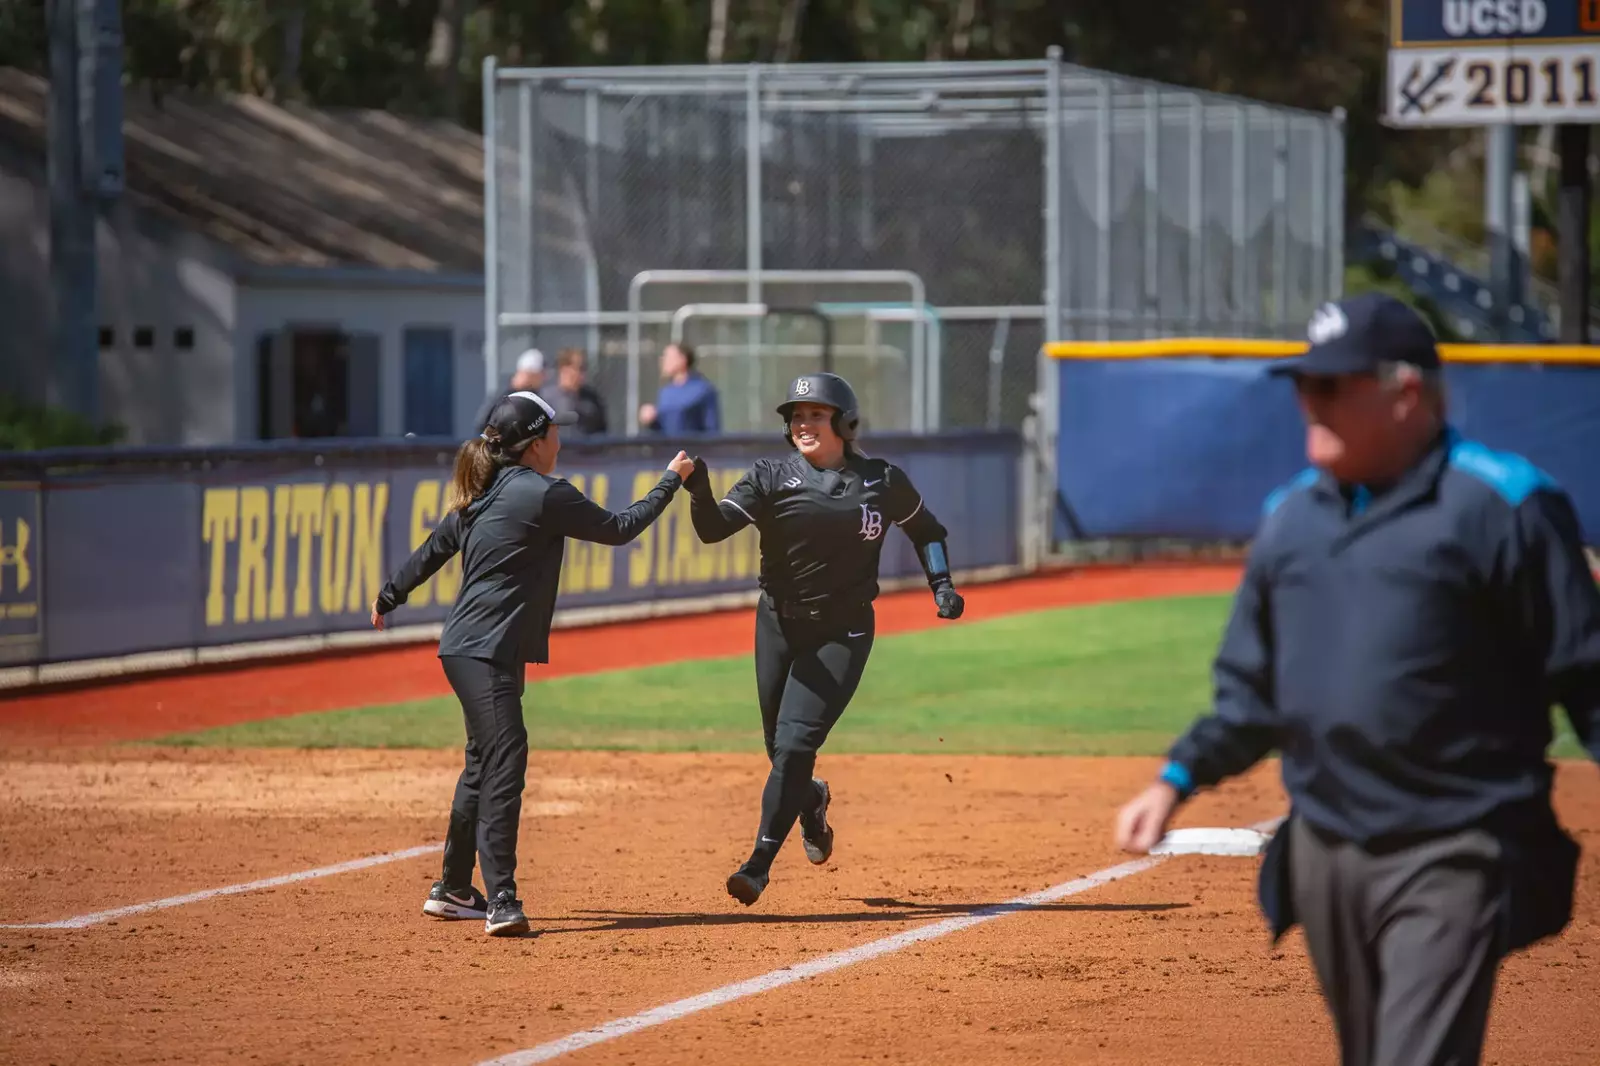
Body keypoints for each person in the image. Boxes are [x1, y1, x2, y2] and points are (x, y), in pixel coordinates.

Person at [1113, 292, 1600, 1066]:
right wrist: (1177, 777)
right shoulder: (1290, 521)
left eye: (1333, 386)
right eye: (1305, 383)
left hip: (1455, 846)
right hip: (1327, 851)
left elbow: (1587, 673)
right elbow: (1252, 694)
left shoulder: (1503, 504)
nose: (1309, 401)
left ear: (1406, 394)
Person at [371, 390, 695, 936]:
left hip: (465, 648)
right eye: (554, 431)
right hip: (486, 649)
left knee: (482, 762)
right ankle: (500, 899)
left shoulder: (484, 491)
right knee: (505, 760)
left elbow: (433, 548)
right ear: (536, 442)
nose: (560, 441)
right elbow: (620, 528)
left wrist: (388, 595)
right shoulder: (543, 494)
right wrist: (672, 479)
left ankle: (452, 888)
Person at [682, 372, 966, 906]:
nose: (803, 424)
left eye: (815, 414)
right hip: (778, 623)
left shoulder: (882, 480)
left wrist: (942, 585)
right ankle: (811, 800)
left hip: (844, 629)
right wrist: (699, 489)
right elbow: (713, 528)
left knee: (793, 744)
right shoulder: (769, 475)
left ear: (843, 422)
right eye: (796, 416)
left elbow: (926, 530)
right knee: (781, 751)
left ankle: (758, 864)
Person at [639, 342, 721, 435]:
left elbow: (712, 429)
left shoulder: (703, 390)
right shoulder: (665, 392)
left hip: (692, 448)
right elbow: (663, 431)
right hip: (668, 449)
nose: (663, 361)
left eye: (668, 357)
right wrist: (652, 421)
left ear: (683, 359)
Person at [473, 348, 547, 435]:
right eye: (541, 374)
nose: (544, 378)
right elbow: (481, 425)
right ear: (528, 374)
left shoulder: (537, 397)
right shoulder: (503, 396)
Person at [545, 347, 609, 437]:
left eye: (584, 368)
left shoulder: (592, 398)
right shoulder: (546, 399)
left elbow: (602, 432)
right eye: (579, 368)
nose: (582, 373)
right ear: (563, 369)